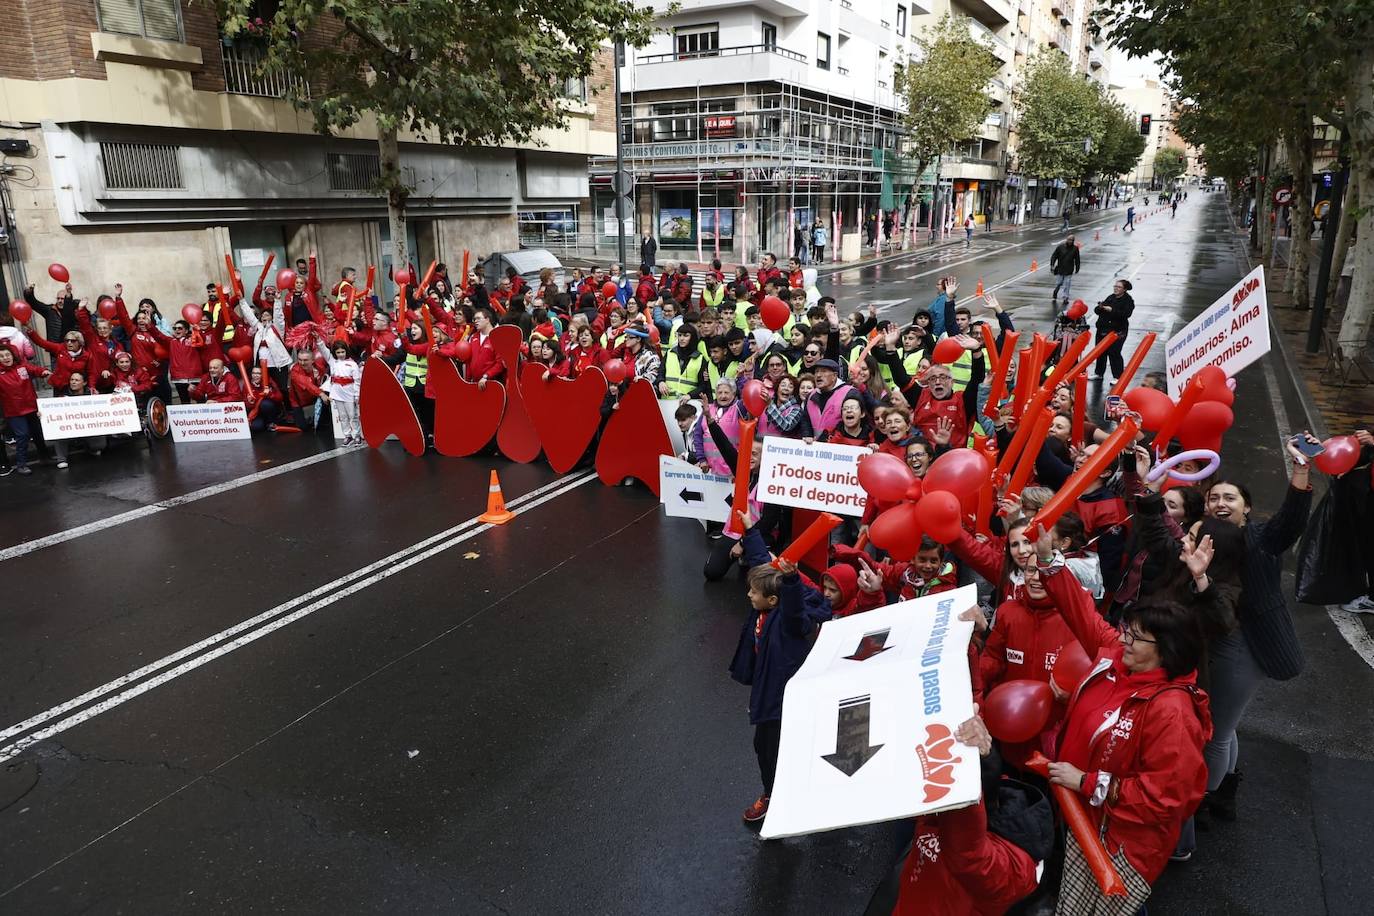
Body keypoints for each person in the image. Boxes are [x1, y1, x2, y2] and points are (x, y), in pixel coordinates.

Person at [1040, 528, 1211, 916]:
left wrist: (1086, 782)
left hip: (1118, 840)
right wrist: (1050, 561)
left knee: (1114, 908)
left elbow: (1166, 798)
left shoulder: (1172, 712)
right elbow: (1081, 612)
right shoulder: (1119, 657)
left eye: (1135, 637)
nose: (1125, 640)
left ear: (1165, 651)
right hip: (1082, 813)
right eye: (1126, 631)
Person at [1198, 439, 1313, 822]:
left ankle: (1204, 801)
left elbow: (1290, 522)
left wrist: (1300, 472)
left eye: (1230, 498)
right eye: (1213, 497)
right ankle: (1224, 792)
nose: (1220, 503)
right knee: (1226, 727)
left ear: (1246, 507)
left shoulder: (1261, 538)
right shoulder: (1204, 540)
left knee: (1215, 729)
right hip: (1220, 642)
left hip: (1246, 646)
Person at [728, 517, 832, 824]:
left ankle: (778, 796)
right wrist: (750, 530)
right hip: (769, 693)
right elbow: (762, 564)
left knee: (774, 749)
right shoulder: (766, 602)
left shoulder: (789, 623)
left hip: (782, 700)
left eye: (753, 593)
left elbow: (795, 608)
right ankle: (777, 792)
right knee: (766, 747)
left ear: (773, 600)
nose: (748, 596)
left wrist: (791, 582)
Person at [0, 343, 51, 475]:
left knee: (38, 434)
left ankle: (45, 458)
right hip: (14, 411)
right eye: (1, 356)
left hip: (31, 407)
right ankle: (21, 464)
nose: (5, 358)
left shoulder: (22, 366)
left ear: (12, 355)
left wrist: (43, 372)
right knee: (22, 436)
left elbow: (34, 369)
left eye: (7, 354)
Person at [320, 340, 363, 445]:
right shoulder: (333, 362)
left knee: (353, 415)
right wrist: (318, 340)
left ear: (346, 351)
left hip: (349, 392)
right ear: (335, 353)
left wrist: (357, 395)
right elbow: (323, 350)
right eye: (338, 352)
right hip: (337, 393)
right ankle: (347, 435)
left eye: (343, 352)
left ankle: (357, 435)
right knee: (343, 416)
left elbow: (357, 381)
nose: (341, 354)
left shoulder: (353, 364)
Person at [1092, 279, 1135, 381]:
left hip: (1118, 331)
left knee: (1114, 352)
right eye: (1115, 286)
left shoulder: (1128, 300)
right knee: (1100, 352)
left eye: (1119, 287)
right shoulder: (1111, 297)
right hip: (1103, 329)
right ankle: (1099, 373)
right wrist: (1100, 308)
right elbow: (1098, 310)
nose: (1116, 288)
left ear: (1124, 289)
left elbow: (1126, 314)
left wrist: (1112, 310)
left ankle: (1118, 376)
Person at [1050, 236, 1080, 304]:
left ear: (1073, 241)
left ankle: (1065, 297)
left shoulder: (1075, 248)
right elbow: (1054, 256)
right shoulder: (1060, 247)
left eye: (1071, 240)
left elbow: (1077, 259)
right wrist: (1052, 265)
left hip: (1069, 269)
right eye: (1069, 240)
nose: (1070, 241)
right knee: (1059, 283)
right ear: (1066, 240)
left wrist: (1077, 268)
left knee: (1067, 283)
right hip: (1060, 269)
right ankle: (1056, 291)